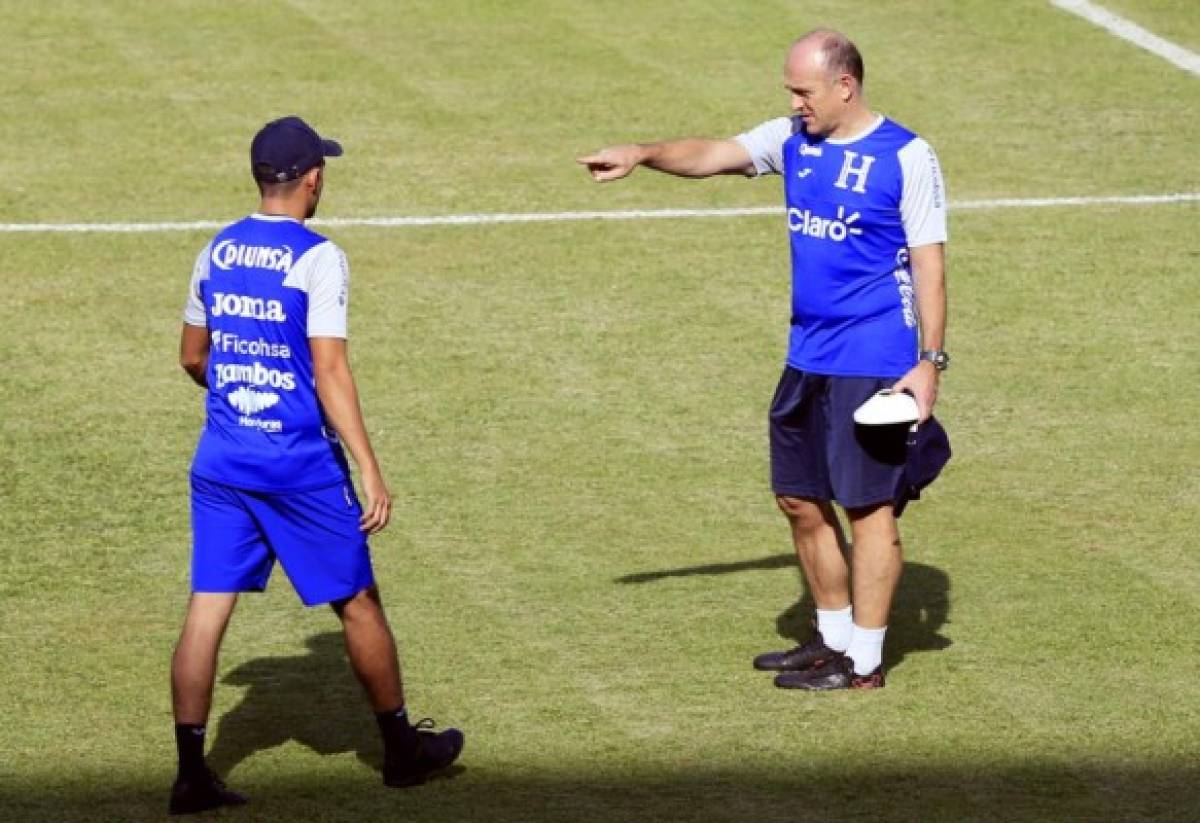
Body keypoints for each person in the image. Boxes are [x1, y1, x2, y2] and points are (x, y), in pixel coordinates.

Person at [578, 30, 949, 690]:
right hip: (807, 353)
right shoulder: (793, 140)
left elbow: (929, 263)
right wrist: (642, 153)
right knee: (798, 498)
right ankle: (832, 639)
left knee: (868, 509)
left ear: (845, 86)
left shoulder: (906, 156)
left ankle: (864, 662)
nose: (795, 102)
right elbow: (714, 154)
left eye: (804, 91)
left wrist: (929, 361)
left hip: (873, 357)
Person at [170, 115, 464, 814]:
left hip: (223, 459)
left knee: (207, 607)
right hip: (297, 465)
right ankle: (400, 751)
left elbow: (191, 356)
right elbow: (330, 370)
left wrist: (243, 398)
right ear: (312, 179)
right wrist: (368, 464)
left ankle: (190, 774)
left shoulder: (216, 249)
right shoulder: (318, 257)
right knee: (357, 601)